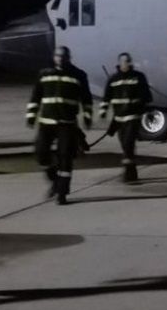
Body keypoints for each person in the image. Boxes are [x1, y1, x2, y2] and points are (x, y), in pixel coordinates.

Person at [27, 46, 92, 204]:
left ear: (69, 57)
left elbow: (86, 99)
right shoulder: (44, 74)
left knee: (65, 157)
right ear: (54, 57)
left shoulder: (79, 75)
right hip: (46, 122)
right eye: (57, 56)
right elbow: (36, 96)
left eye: (63, 56)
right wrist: (31, 115)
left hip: (67, 123)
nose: (60, 59)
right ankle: (54, 180)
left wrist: (87, 116)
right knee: (41, 153)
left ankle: (62, 192)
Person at [103, 52, 152, 183]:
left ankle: (128, 172)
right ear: (119, 63)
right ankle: (132, 170)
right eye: (124, 61)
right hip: (119, 119)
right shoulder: (113, 79)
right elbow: (107, 97)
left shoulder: (138, 77)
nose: (127, 63)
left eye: (128, 61)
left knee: (128, 143)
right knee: (125, 145)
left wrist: (140, 108)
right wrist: (103, 111)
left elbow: (147, 96)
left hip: (133, 117)